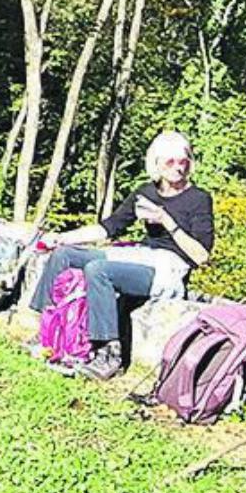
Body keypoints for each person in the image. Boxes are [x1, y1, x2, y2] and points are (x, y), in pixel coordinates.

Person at [29, 131, 216, 380]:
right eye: (170, 162)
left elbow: (201, 255)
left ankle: (109, 353)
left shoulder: (199, 199)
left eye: (184, 161)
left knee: (99, 270)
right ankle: (48, 331)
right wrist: (61, 237)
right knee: (64, 255)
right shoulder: (145, 192)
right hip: (141, 255)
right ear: (156, 163)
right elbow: (109, 227)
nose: (178, 168)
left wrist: (167, 221)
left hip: (169, 269)